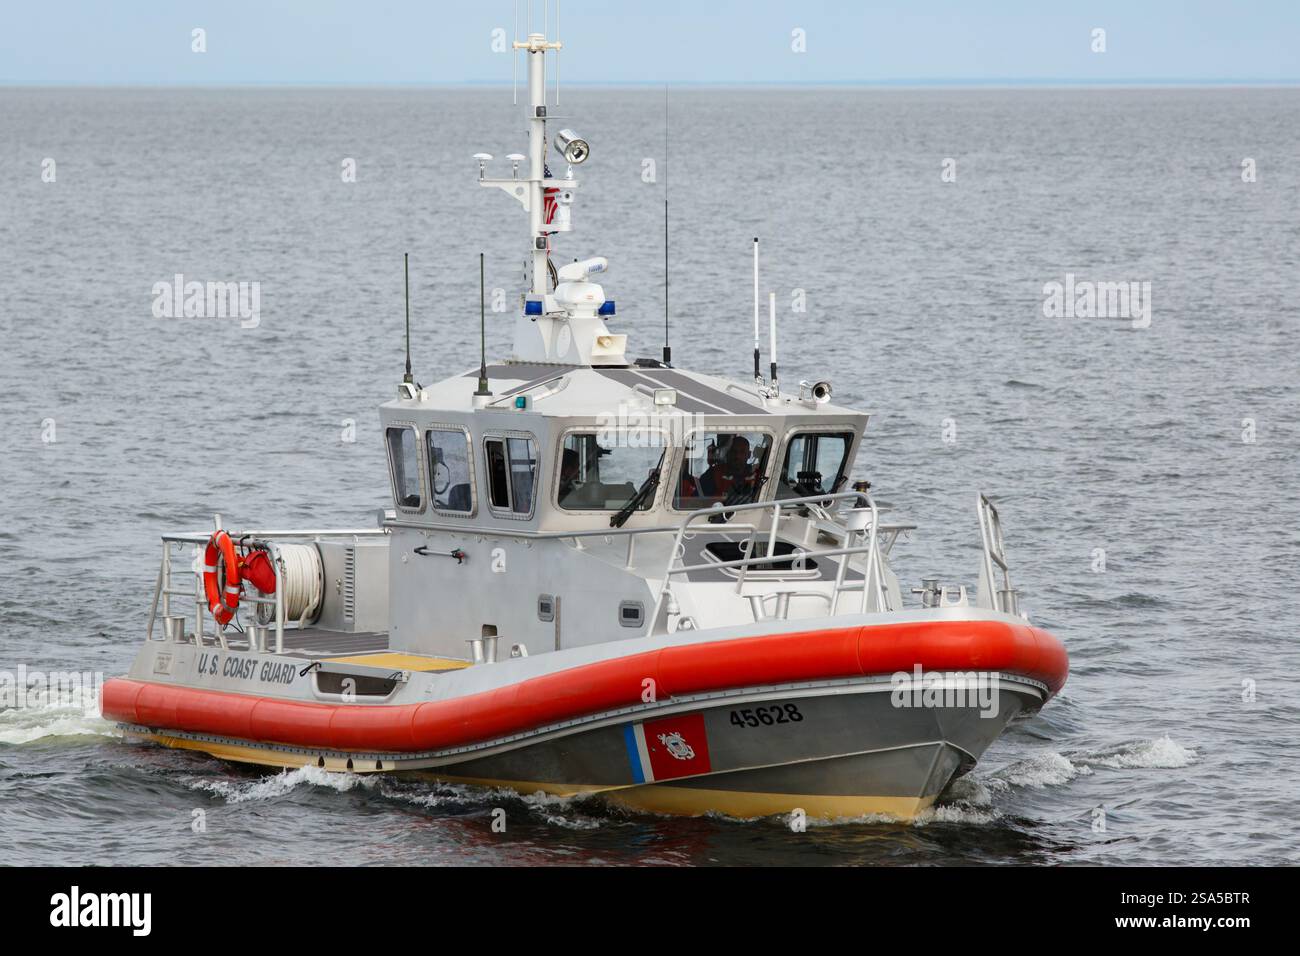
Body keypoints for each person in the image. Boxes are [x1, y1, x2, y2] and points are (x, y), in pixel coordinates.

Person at [697, 436, 754, 500]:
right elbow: (698, 501)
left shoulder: (756, 476)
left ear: (749, 454)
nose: (737, 456)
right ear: (728, 453)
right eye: (734, 451)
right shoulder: (713, 474)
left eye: (742, 452)